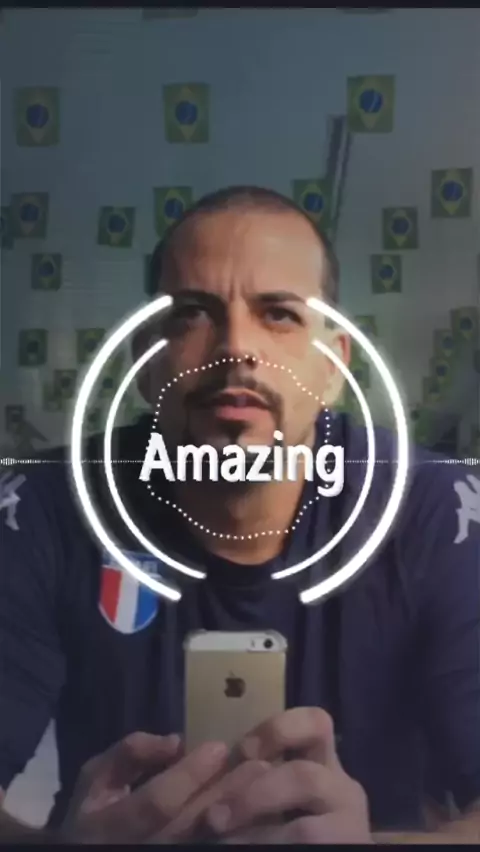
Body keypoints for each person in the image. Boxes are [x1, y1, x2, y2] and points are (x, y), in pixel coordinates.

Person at [0, 185, 479, 844]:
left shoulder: (438, 509)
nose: (234, 348)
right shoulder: (44, 504)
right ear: (146, 362)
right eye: (193, 314)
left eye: (278, 314)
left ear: (333, 367)